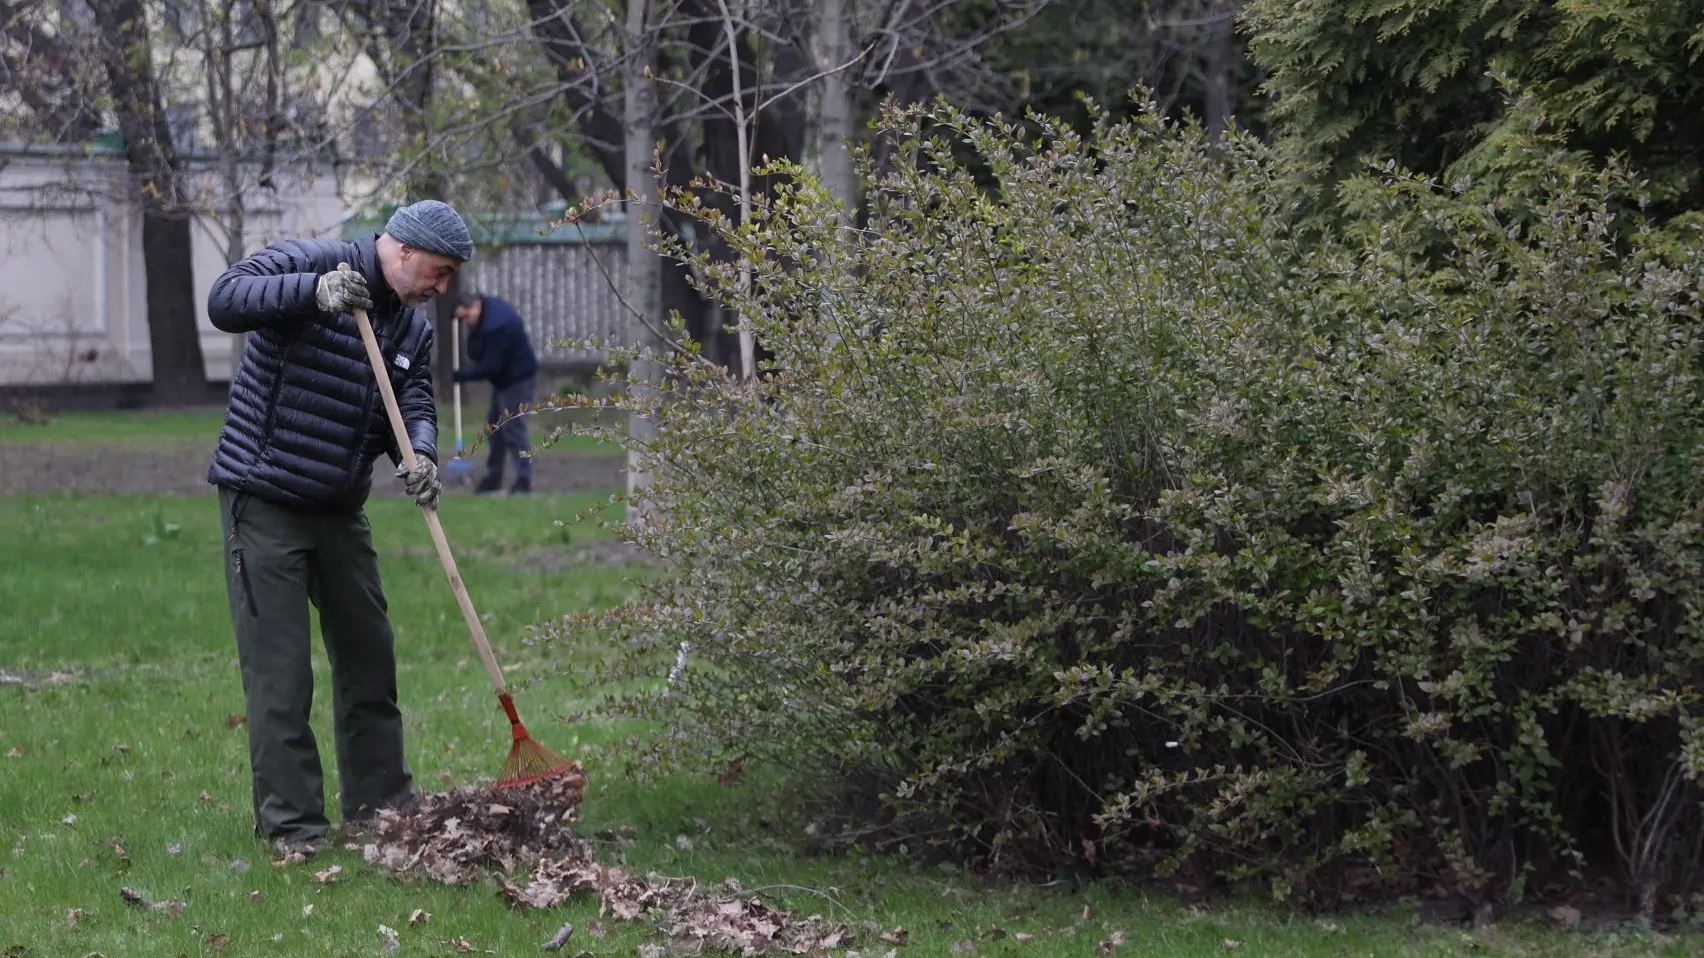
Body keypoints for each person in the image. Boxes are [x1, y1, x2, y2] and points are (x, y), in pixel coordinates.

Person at [204, 199, 474, 859]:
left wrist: (421, 454)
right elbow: (225, 299)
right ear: (402, 249)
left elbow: (410, 403)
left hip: (339, 510)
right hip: (264, 498)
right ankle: (294, 827)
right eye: (437, 273)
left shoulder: (409, 329)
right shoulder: (315, 260)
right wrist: (314, 294)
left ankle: (381, 809)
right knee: (281, 674)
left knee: (369, 657)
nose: (440, 290)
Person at [451, 291, 539, 494]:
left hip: (518, 379)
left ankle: (523, 480)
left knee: (513, 428)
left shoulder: (497, 326)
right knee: (494, 429)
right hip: (503, 380)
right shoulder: (484, 313)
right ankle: (494, 478)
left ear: (474, 306)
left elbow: (490, 367)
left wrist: (461, 375)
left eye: (465, 317)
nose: (465, 323)